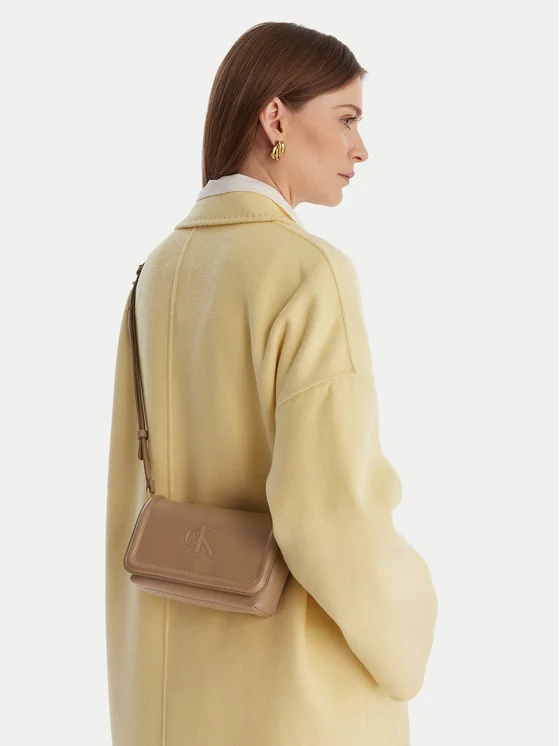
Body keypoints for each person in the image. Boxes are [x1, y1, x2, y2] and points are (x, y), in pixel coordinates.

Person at [105, 20, 438, 746]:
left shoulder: (155, 272)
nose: (361, 148)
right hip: (294, 705)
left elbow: (135, 491)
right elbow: (330, 515)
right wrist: (410, 631)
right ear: (276, 118)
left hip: (168, 703)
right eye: (345, 118)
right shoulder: (307, 274)